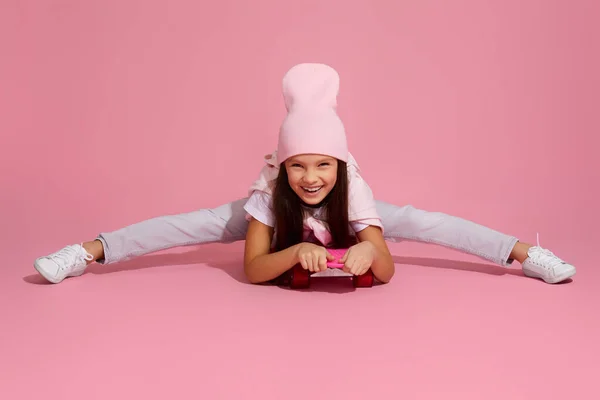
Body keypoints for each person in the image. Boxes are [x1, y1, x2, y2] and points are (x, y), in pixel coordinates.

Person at [33, 63, 576, 286]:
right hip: (281, 227)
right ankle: (86, 252)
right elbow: (252, 268)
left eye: (322, 165)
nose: (311, 177)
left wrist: (371, 253)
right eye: (299, 165)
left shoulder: (353, 188)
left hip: (348, 218)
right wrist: (294, 253)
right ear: (282, 166)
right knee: (186, 226)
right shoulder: (270, 194)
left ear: (340, 166)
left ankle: (524, 255)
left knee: (428, 223)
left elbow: (384, 271)